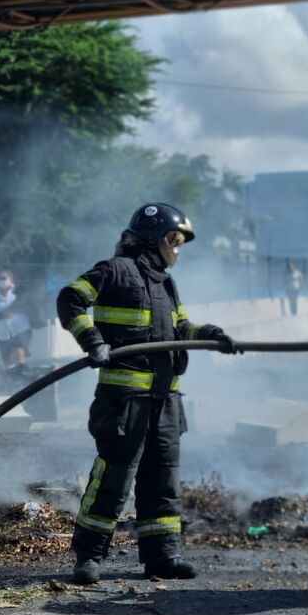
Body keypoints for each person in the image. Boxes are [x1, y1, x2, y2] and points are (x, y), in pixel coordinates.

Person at [58, 203, 239, 585]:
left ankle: (162, 556)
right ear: (154, 239)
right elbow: (70, 298)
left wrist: (211, 335)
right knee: (113, 480)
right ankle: (88, 557)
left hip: (166, 401)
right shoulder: (115, 271)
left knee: (162, 482)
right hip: (125, 402)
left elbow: (180, 327)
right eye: (174, 239)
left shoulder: (164, 282)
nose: (178, 248)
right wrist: (92, 340)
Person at [0, 268, 32, 373]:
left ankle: (22, 376)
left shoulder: (19, 291)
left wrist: (13, 310)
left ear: (11, 279)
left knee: (18, 350)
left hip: (20, 328)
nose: (1, 280)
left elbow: (27, 304)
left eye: (4, 278)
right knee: (6, 358)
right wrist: (2, 314)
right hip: (2, 331)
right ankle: (11, 381)